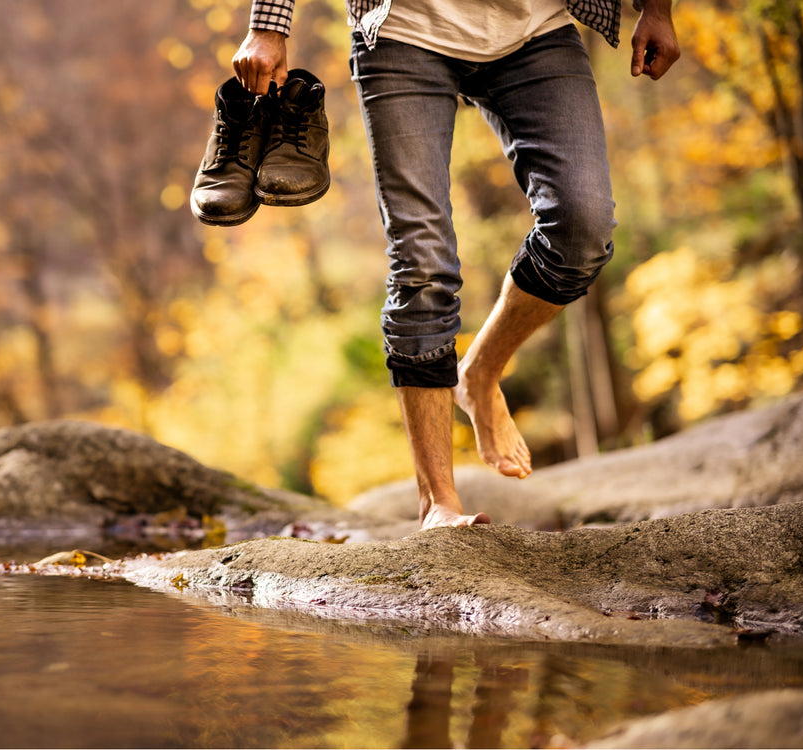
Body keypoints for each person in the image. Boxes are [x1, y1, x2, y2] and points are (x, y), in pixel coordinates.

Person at [232, 0, 680, 530]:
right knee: (421, 261)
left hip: (534, 28)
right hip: (403, 28)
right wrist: (268, 26)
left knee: (583, 228)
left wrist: (658, 7)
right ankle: (438, 504)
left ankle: (481, 374)